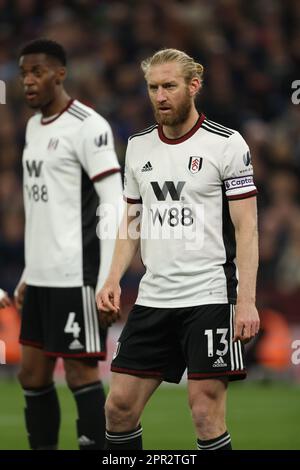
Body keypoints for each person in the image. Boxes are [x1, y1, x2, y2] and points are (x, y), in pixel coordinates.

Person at [97, 48, 260, 450]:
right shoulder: (137, 146)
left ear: (193, 86)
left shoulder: (226, 144)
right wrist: (113, 277)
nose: (160, 95)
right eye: (153, 87)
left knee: (204, 411)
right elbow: (132, 220)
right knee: (118, 408)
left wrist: (247, 300)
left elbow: (247, 228)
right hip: (155, 296)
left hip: (210, 294)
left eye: (169, 86)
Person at [15, 38, 122, 450]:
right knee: (32, 375)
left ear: (60, 74)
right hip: (42, 275)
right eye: (24, 73)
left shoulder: (87, 126)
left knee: (80, 374)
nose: (28, 81)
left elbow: (113, 201)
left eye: (37, 72)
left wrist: (108, 280)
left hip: (77, 272)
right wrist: (28, 272)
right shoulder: (31, 127)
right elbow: (41, 207)